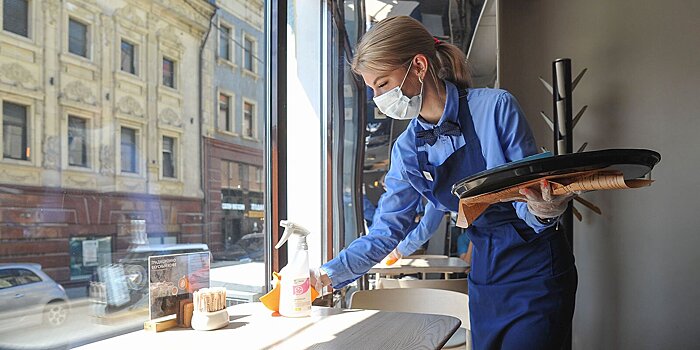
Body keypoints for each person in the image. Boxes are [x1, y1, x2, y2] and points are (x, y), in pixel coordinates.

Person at [311, 16, 577, 350]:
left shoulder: (495, 108)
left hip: (536, 268)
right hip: (484, 275)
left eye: (382, 84)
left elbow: (528, 198)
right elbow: (386, 231)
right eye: (372, 90)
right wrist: (325, 276)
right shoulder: (406, 150)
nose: (379, 99)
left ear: (418, 66)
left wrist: (543, 210)